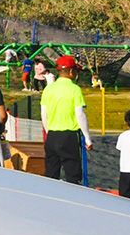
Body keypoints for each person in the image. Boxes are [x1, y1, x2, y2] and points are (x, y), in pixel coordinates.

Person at [39, 54, 93, 184]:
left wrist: (48, 131)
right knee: (72, 175)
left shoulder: (48, 89)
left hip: (52, 135)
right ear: (70, 71)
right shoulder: (75, 89)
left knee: (51, 174)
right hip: (68, 136)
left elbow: (43, 114)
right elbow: (80, 114)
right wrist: (87, 138)